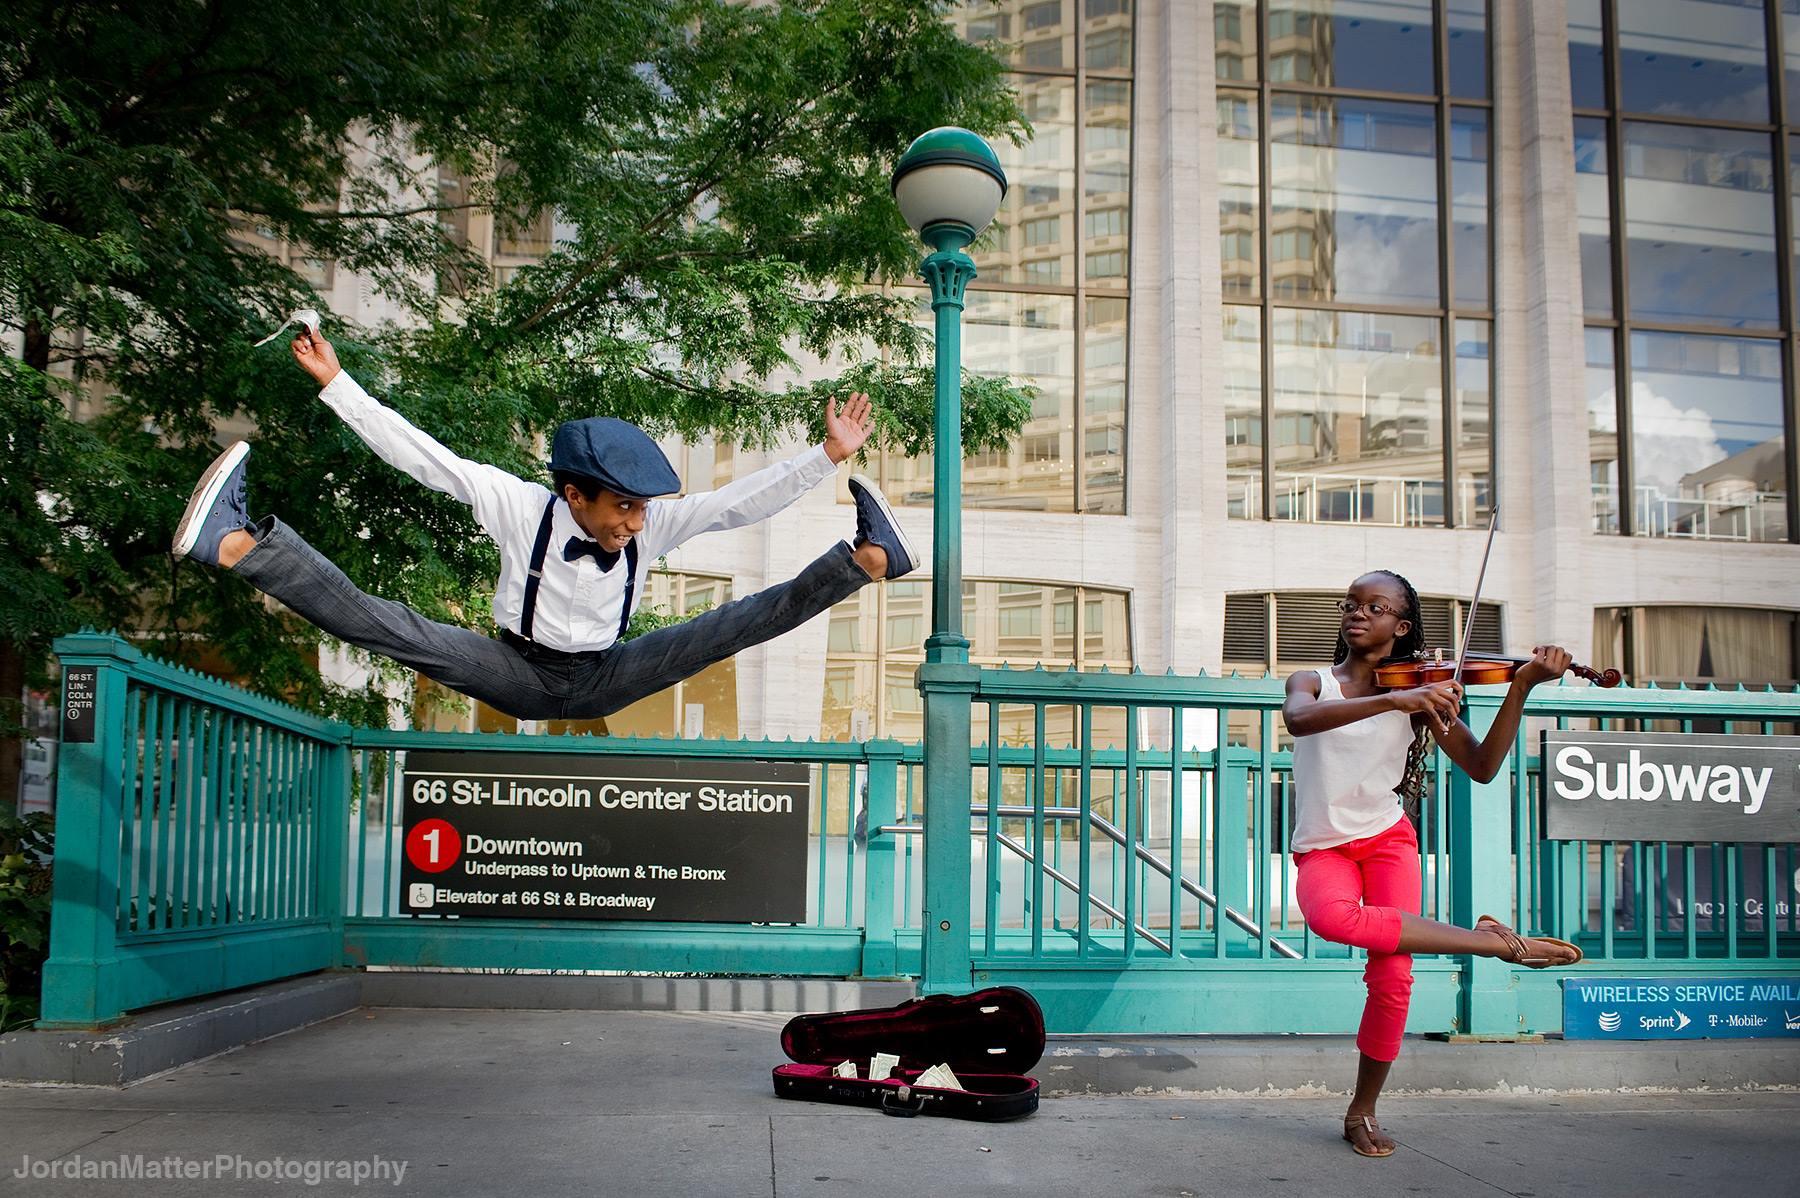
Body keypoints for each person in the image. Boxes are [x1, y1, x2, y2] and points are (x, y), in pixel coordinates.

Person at [171, 329, 918, 723]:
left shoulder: (648, 528)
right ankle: (239, 545)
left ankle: (867, 559)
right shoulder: (519, 507)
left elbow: (735, 504)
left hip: (604, 673)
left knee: (731, 624)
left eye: (642, 508)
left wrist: (826, 457)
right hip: (516, 671)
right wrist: (339, 386)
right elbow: (422, 458)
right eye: (620, 507)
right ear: (572, 495)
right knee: (393, 627)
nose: (634, 524)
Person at [1282, 570, 1584, 1159]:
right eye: (1352, 604)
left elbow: (1482, 765)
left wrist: (1521, 688)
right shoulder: (1314, 681)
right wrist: (1394, 699)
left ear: (1403, 626)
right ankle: (1495, 944)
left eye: (1376, 607)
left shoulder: (1423, 690)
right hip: (1324, 845)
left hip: (1386, 839)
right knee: (1333, 919)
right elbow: (1298, 718)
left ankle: (1362, 1112)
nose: (1359, 613)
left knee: (1393, 979)